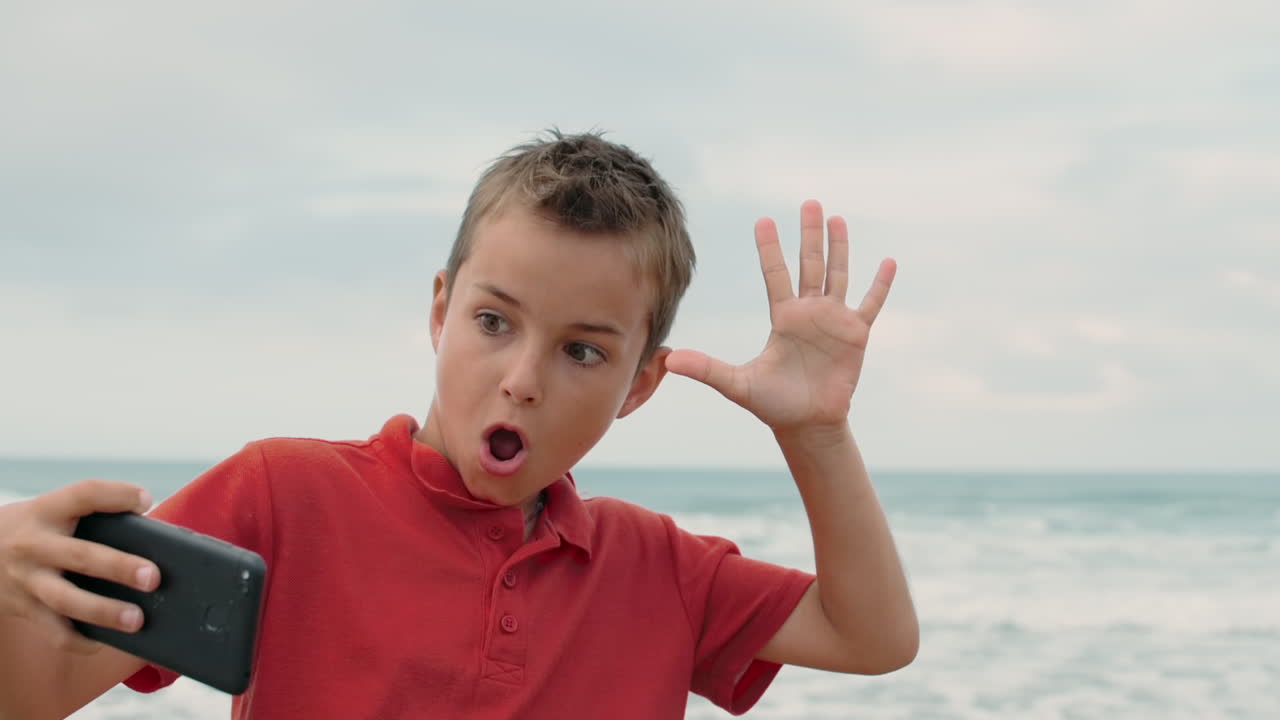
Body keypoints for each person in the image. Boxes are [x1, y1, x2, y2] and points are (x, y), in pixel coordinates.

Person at [0, 130, 917, 719]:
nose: (521, 380)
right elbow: (37, 694)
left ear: (640, 386)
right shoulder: (284, 495)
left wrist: (816, 436)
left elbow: (870, 637)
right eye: (494, 323)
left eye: (582, 352)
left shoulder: (658, 569)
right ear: (441, 311)